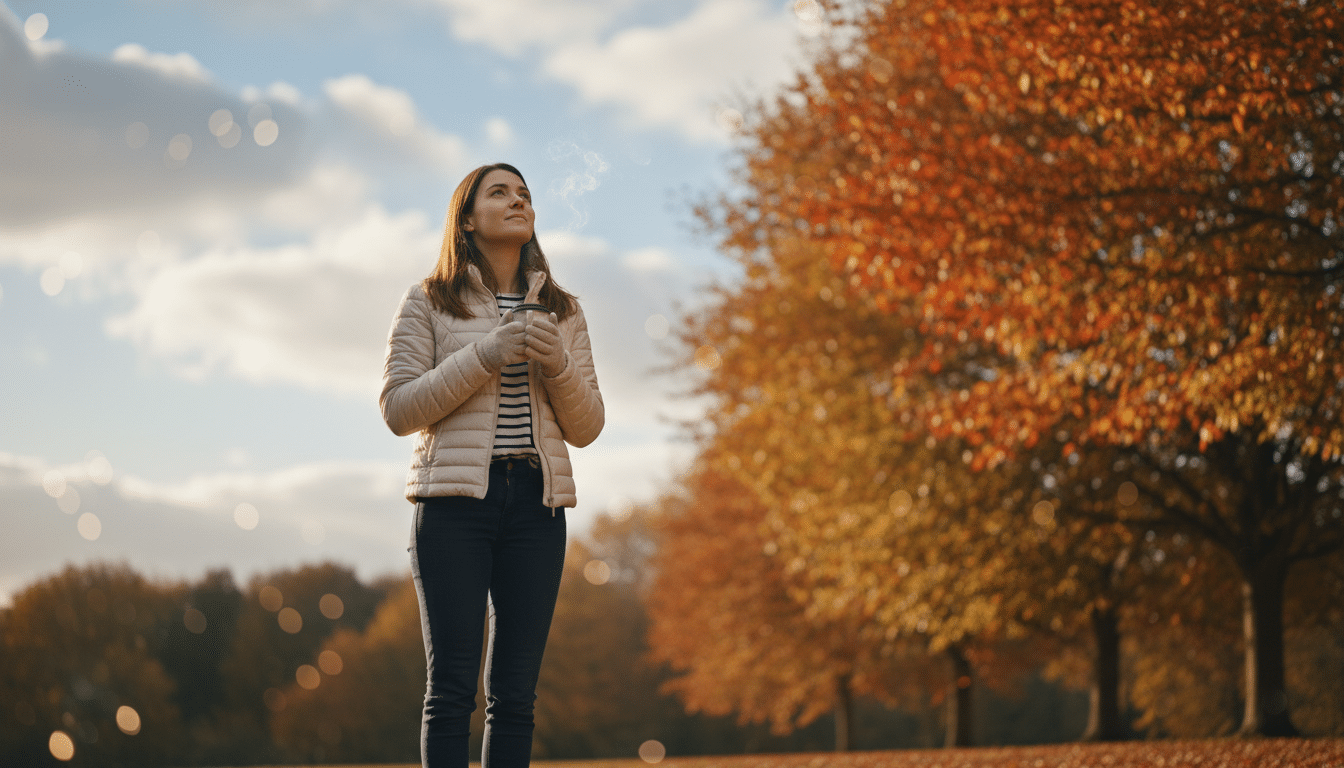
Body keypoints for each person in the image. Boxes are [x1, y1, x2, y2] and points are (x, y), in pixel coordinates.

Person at [380, 163, 604, 768]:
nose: (517, 201)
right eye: (499, 192)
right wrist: (487, 352)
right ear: (468, 219)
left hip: (537, 508)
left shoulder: (564, 311)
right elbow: (399, 409)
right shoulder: (428, 299)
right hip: (453, 509)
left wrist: (556, 362)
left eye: (525, 193)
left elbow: (587, 429)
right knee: (451, 692)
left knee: (516, 697)